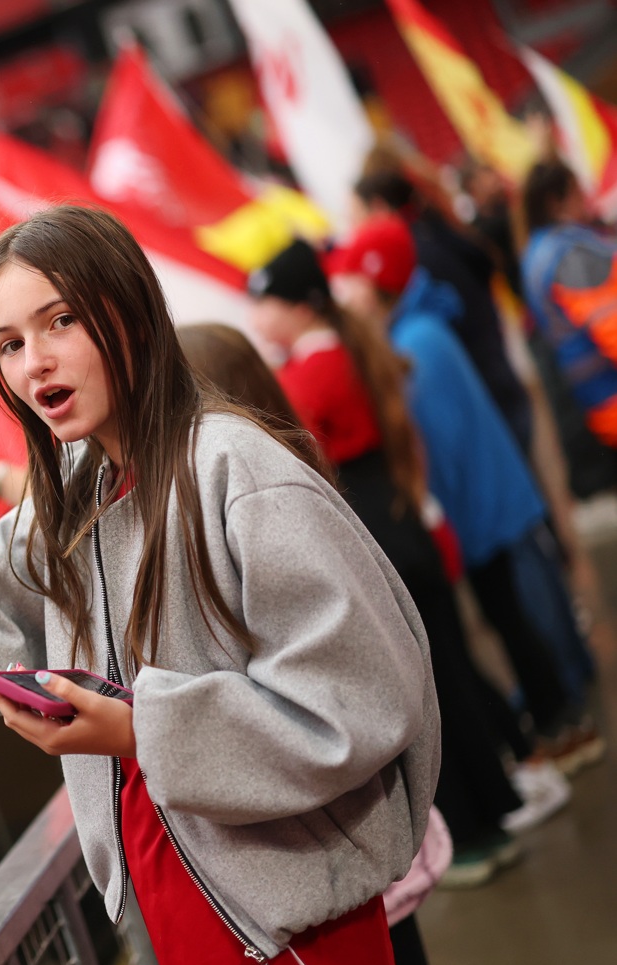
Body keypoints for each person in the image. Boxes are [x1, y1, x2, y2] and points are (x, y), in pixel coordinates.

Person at [0, 203, 441, 965]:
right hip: (176, 916)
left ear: (129, 312)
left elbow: (357, 702)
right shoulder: (76, 498)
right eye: (9, 344)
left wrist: (139, 726)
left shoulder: (238, 475)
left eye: (59, 322)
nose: (34, 364)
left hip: (290, 935)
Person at [246, 238, 546, 888]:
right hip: (402, 526)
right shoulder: (347, 352)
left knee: (414, 695)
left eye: (262, 301)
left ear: (296, 306)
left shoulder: (306, 376)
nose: (255, 317)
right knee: (449, 681)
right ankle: (492, 811)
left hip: (377, 538)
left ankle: (464, 835)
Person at [175, 321, 445, 965]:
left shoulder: (250, 490)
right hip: (363, 838)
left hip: (336, 848)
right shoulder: (292, 468)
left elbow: (345, 700)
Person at [330, 216, 604, 775]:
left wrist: (443, 527)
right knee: (518, 614)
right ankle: (563, 712)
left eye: (354, 279)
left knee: (516, 618)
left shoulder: (413, 344)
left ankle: (563, 725)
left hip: (483, 511)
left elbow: (444, 451)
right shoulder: (421, 329)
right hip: (495, 500)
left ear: (377, 280)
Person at [354, 157, 533, 454]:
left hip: (484, 373)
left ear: (379, 207)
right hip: (491, 362)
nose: (357, 226)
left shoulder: (418, 255)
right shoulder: (433, 230)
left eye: (357, 214)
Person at [522, 158, 617, 449]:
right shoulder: (569, 254)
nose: (584, 200)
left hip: (593, 394)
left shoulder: (537, 249)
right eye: (577, 192)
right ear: (555, 202)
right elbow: (610, 325)